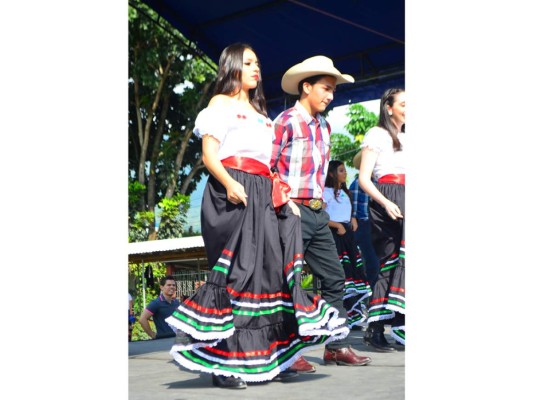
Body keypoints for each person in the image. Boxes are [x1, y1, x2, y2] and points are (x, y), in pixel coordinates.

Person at [164, 43, 349, 390]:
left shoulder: (262, 114)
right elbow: (209, 154)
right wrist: (230, 183)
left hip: (263, 194)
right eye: (248, 62)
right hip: (232, 192)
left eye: (257, 63)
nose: (255, 68)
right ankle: (224, 364)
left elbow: (270, 165)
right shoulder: (220, 104)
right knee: (239, 276)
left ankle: (270, 359)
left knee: (269, 278)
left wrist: (283, 196)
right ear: (232, 66)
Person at [271, 55, 372, 369]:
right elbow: (266, 167)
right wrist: (285, 202)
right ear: (306, 87)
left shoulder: (325, 126)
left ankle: (336, 347)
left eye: (333, 91)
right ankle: (285, 352)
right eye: (326, 88)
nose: (330, 95)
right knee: (287, 279)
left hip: (318, 214)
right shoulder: (285, 121)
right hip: (290, 211)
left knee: (335, 277)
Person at [358, 88, 405, 352]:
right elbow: (364, 178)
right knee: (389, 264)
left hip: (408, 195)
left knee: (405, 262)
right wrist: (386, 202)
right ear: (388, 107)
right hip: (387, 195)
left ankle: (401, 325)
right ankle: (374, 329)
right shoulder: (376, 134)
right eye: (403, 103)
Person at [323, 160, 372, 329]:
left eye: (345, 170)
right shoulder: (326, 192)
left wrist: (352, 219)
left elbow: (349, 210)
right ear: (331, 174)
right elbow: (320, 214)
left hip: (348, 235)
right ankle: (339, 315)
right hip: (335, 235)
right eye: (341, 170)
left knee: (354, 273)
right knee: (341, 275)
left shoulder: (345, 192)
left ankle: (353, 313)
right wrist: (337, 225)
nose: (345, 173)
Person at [348, 160, 380, 289]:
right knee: (371, 261)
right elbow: (353, 206)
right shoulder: (358, 183)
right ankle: (372, 293)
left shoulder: (378, 183)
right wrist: (354, 218)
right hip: (363, 225)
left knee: (378, 260)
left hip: (376, 226)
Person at [139, 275, 179, 340]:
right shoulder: (156, 303)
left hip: (177, 340)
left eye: (173, 285)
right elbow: (142, 319)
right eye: (168, 285)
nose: (172, 287)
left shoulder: (176, 302)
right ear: (161, 287)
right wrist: (152, 335)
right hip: (163, 342)